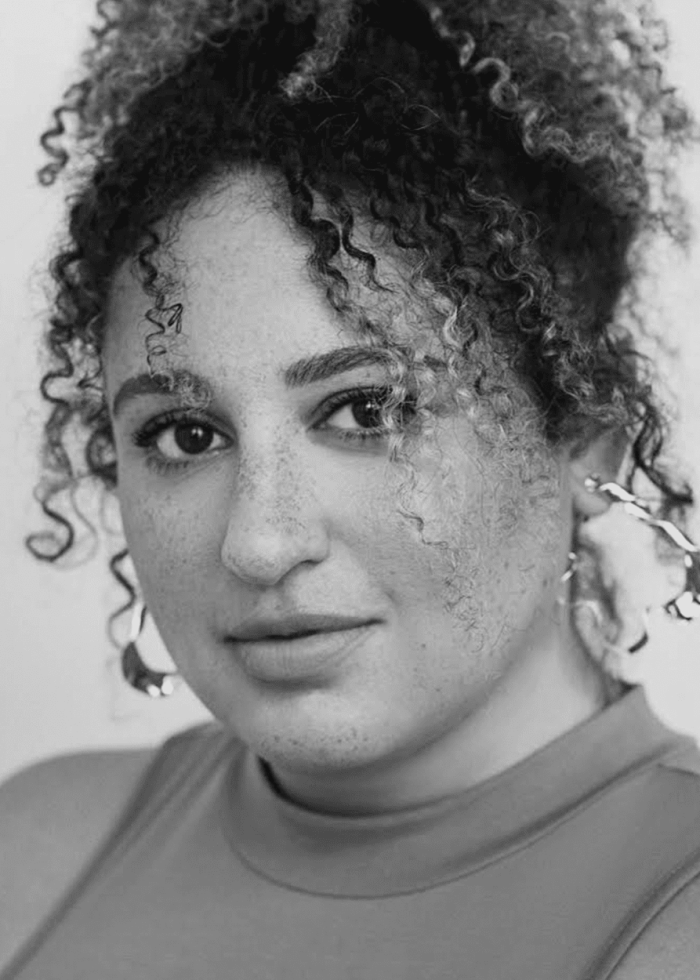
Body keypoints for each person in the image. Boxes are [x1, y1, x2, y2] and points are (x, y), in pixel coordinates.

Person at [2, 0, 700, 976]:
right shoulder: (33, 856)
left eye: (366, 410)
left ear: (583, 442)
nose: (259, 539)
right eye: (184, 431)